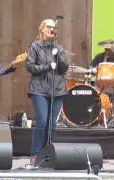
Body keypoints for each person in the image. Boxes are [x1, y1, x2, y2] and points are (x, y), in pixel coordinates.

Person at [26, 19, 69, 165]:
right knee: (42, 121)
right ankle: (35, 154)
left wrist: (57, 57)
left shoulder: (59, 48)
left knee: (52, 124)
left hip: (57, 89)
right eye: (49, 27)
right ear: (42, 29)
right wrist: (46, 66)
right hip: (39, 88)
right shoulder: (35, 46)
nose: (52, 29)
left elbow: (64, 68)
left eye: (54, 27)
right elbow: (30, 67)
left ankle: (47, 153)